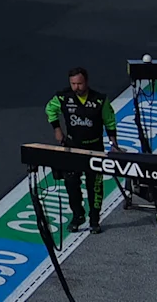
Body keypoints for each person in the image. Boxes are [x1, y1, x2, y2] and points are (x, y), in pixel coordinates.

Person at [45, 67, 113, 230]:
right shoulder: (63, 97)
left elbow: (110, 120)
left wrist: (113, 142)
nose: (76, 87)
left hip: (95, 148)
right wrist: (57, 129)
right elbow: (50, 109)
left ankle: (95, 219)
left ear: (86, 82)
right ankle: (77, 216)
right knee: (71, 183)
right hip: (73, 147)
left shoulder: (100, 100)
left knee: (95, 186)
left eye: (80, 83)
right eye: (73, 84)